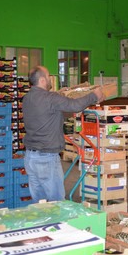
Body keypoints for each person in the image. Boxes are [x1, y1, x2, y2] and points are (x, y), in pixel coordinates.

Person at [22, 65, 104, 202]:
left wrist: (60, 95)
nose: (50, 79)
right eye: (48, 77)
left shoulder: (27, 98)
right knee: (56, 203)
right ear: (42, 80)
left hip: (30, 158)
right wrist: (94, 95)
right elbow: (75, 106)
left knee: (39, 203)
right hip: (47, 158)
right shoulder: (51, 98)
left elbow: (50, 112)